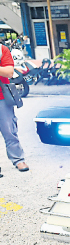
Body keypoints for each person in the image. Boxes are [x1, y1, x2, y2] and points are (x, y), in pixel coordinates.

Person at [0, 44, 29, 174]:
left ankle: (18, 160)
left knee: (9, 130)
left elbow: (9, 72)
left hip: (2, 97)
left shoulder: (2, 50)